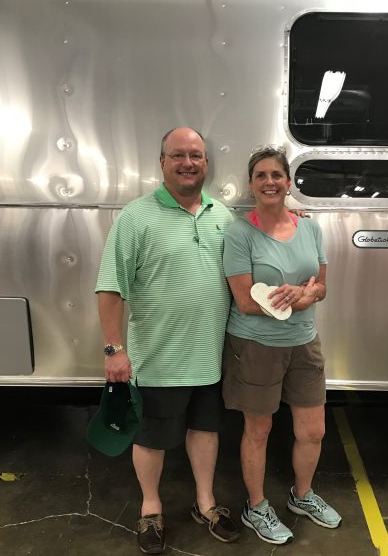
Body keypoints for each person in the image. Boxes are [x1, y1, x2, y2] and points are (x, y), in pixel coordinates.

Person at [96, 127, 240, 554]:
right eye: (178, 155)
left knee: (205, 432)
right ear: (162, 162)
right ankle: (151, 509)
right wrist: (114, 349)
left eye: (195, 155)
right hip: (158, 359)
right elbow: (110, 288)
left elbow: (254, 253)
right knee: (150, 438)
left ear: (206, 163)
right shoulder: (136, 217)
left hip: (209, 358)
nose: (187, 163)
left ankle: (205, 503)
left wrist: (293, 215)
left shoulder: (222, 216)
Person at [222, 145, 341, 545]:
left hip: (304, 342)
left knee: (314, 430)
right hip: (256, 345)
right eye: (261, 175)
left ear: (288, 182)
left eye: (276, 175)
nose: (269, 182)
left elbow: (321, 285)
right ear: (251, 185)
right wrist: (295, 300)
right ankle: (256, 507)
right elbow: (244, 301)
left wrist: (308, 295)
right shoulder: (240, 234)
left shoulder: (310, 228)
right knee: (259, 430)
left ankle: (302, 496)